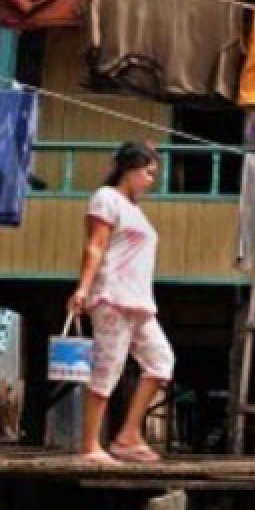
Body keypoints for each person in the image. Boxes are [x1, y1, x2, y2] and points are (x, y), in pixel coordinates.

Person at [68, 142, 174, 463]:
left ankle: (128, 436)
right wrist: (83, 289)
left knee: (161, 361)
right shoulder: (106, 198)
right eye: (148, 172)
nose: (151, 180)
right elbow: (96, 246)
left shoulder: (135, 210)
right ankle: (89, 446)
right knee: (107, 369)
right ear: (131, 169)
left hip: (140, 301)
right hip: (113, 296)